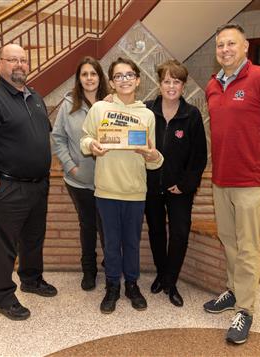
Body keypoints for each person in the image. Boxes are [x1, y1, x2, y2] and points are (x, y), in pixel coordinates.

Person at [203, 23, 260, 344]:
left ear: (245, 47)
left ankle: (246, 308)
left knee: (248, 246)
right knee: (229, 240)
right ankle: (233, 289)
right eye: (220, 46)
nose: (225, 49)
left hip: (250, 180)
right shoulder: (213, 85)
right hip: (221, 178)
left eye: (231, 44)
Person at [0, 43, 57, 321]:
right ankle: (3, 296)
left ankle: (31, 279)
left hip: (38, 185)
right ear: (0, 64)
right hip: (8, 187)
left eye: (23, 60)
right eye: (12, 60)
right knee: (4, 246)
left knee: (33, 239)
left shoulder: (35, 97)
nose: (19, 65)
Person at [80, 57, 164, 314]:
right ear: (112, 83)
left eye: (129, 75)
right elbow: (85, 139)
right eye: (118, 76)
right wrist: (90, 146)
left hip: (135, 191)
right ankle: (112, 286)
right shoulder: (99, 110)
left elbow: (153, 158)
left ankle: (132, 285)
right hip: (106, 189)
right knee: (111, 242)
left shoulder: (147, 115)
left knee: (131, 242)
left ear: (138, 80)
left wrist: (153, 156)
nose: (124, 80)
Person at [144, 60, 207, 307]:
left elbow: (199, 156)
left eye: (177, 81)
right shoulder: (147, 110)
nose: (171, 86)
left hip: (180, 189)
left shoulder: (191, 115)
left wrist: (184, 184)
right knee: (157, 232)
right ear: (159, 84)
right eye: (167, 81)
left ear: (183, 85)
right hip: (151, 186)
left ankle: (171, 280)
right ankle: (161, 274)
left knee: (179, 232)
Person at [52, 56, 108, 291]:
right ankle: (89, 270)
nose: (89, 78)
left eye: (93, 74)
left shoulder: (110, 103)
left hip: (108, 180)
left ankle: (112, 265)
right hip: (79, 180)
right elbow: (58, 138)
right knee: (87, 226)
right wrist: (70, 165)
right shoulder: (68, 105)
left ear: (99, 77)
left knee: (107, 226)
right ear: (79, 79)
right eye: (84, 74)